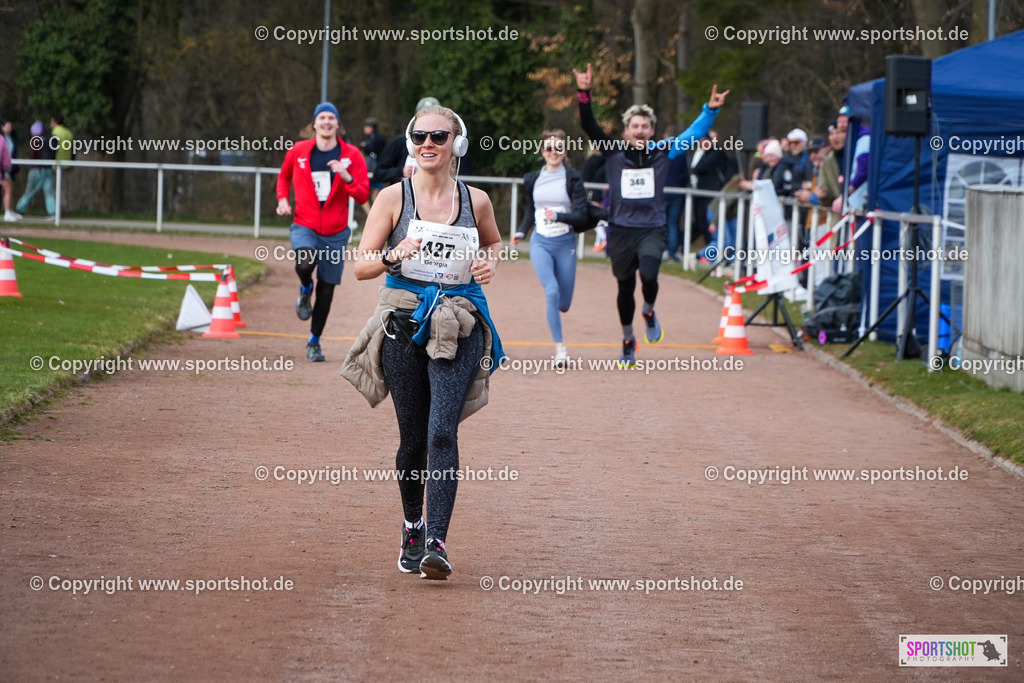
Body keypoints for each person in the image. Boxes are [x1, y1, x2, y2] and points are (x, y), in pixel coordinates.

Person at [342, 105, 504, 580]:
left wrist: (489, 264)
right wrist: (395, 253)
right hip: (404, 323)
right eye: (419, 136)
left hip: (459, 323)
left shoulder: (477, 201)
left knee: (442, 432)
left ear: (457, 143)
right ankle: (412, 524)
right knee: (413, 440)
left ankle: (436, 540)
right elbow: (362, 264)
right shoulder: (393, 197)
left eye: (439, 136)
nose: (427, 143)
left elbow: (493, 244)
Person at [573, 62, 728, 365]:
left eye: (645, 126)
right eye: (635, 126)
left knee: (649, 273)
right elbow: (588, 125)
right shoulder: (614, 152)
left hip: (652, 228)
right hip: (620, 229)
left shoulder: (663, 151)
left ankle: (650, 309)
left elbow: (692, 134)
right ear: (627, 130)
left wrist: (710, 111)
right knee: (625, 287)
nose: (640, 131)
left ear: (652, 130)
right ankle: (628, 338)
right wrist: (584, 92)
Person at [276, 102, 370, 362]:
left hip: (336, 231)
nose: (327, 122)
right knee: (305, 263)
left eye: (332, 118)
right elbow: (283, 178)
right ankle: (305, 288)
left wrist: (347, 176)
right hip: (304, 223)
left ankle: (314, 341)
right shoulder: (298, 151)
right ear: (314, 124)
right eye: (322, 118)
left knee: (327, 289)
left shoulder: (352, 155)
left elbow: (362, 193)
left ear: (338, 124)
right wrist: (283, 199)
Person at [511, 130, 589, 366]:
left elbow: (581, 215)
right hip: (541, 242)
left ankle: (559, 332)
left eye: (558, 148)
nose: (553, 152)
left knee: (563, 303)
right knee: (552, 291)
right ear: (542, 151)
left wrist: (558, 215)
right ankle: (560, 349)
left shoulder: (572, 178)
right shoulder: (532, 179)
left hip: (565, 243)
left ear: (565, 151)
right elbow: (531, 211)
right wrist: (522, 231)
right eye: (548, 148)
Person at [16, 121, 56, 219]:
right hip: (48, 170)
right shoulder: (49, 140)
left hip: (36, 170)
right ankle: (53, 212)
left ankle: (20, 210)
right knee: (49, 192)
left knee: (29, 191)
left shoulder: (35, 142)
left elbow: (33, 157)